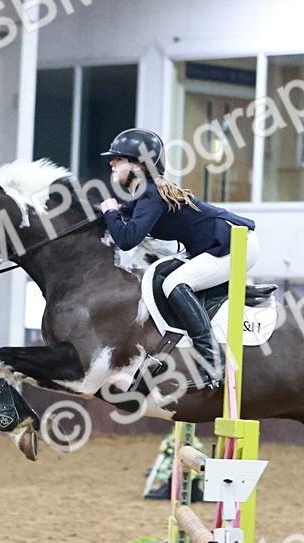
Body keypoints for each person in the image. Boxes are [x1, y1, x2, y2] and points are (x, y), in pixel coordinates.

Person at [98, 128, 259, 389]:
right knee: (165, 275)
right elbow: (124, 221)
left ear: (138, 164)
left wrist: (110, 213)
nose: (111, 163)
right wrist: (109, 214)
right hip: (218, 245)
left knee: (174, 283)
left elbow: (127, 238)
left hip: (234, 244)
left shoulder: (149, 193)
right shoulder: (145, 193)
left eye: (118, 158)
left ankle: (212, 362)